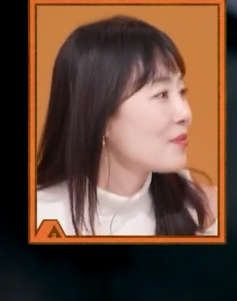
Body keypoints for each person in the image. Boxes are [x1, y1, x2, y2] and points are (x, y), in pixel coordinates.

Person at [35, 15, 218, 237]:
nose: (185, 114)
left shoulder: (203, 211)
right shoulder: (41, 216)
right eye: (161, 94)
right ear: (101, 119)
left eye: (181, 92)